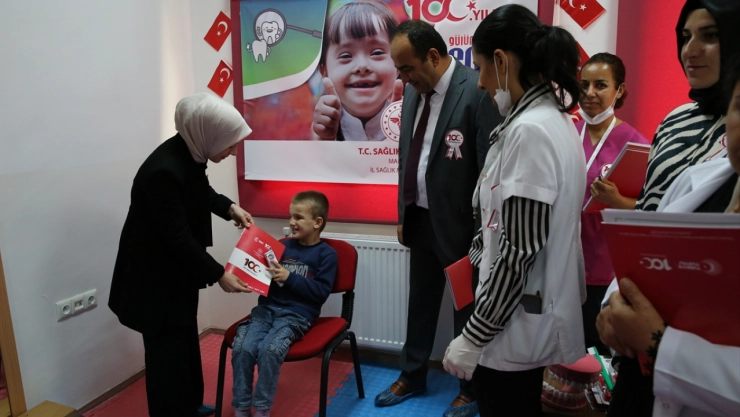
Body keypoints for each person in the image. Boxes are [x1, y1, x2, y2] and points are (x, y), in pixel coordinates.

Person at [440, 5, 587, 417]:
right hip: (519, 312)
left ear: (502, 62)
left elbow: (519, 250)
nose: (481, 82)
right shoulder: (550, 120)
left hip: (512, 324)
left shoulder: (531, 131)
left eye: (482, 68)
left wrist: (475, 334)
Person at [603, 1, 740, 415]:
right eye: (685, 37)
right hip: (645, 340)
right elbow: (651, 222)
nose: (690, 51)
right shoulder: (677, 121)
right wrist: (615, 303)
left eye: (710, 36)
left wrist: (659, 344)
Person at [373, 19, 500, 417]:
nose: (402, 78)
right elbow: (406, 159)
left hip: (461, 227)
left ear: (432, 55)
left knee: (467, 307)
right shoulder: (414, 92)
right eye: (399, 69)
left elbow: (488, 169)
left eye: (407, 68)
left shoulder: (476, 90)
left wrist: (482, 233)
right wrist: (403, 210)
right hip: (420, 219)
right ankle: (412, 375)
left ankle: (470, 387)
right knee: (421, 302)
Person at [109, 92, 254, 417]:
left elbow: (199, 191)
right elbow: (177, 238)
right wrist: (220, 274)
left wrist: (229, 208)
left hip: (177, 274)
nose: (233, 152)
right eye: (230, 144)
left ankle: (189, 405)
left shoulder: (189, 152)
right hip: (153, 281)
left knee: (185, 342)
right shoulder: (163, 170)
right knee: (166, 357)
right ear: (209, 134)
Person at [231, 191, 337, 417]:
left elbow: (320, 293)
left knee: (269, 350)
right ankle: (241, 407)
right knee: (242, 347)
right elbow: (266, 280)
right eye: (290, 216)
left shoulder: (327, 255)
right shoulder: (281, 246)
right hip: (265, 310)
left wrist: (289, 277)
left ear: (317, 222)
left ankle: (262, 410)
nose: (291, 222)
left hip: (296, 316)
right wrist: (252, 273)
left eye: (298, 217)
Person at [576, 53, 649, 353]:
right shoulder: (566, 133)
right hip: (564, 262)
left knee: (599, 349)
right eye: (584, 85)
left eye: (601, 85)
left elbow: (649, 210)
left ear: (619, 91)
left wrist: (616, 200)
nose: (589, 93)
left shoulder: (636, 145)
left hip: (605, 266)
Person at [312, 0, 400, 141]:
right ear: (323, 70)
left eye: (377, 53)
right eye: (346, 56)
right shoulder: (321, 128)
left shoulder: (415, 121)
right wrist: (323, 140)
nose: (362, 66)